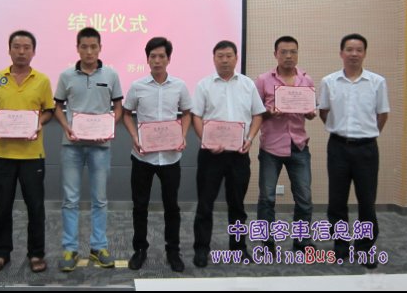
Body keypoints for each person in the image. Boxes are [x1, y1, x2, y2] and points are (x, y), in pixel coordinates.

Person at [0, 30, 54, 274]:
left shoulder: (42, 80)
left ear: (33, 52)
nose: (21, 51)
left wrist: (38, 123)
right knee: (2, 207)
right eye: (16, 46)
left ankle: (36, 254)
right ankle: (0, 253)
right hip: (3, 154)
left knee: (35, 207)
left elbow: (49, 110)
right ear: (9, 49)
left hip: (32, 155)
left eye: (26, 47)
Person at [54, 27, 123, 272]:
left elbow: (118, 107)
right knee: (70, 199)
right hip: (72, 146)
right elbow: (57, 106)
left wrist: (109, 126)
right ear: (78, 48)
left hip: (100, 147)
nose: (89, 51)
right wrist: (66, 126)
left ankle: (98, 247)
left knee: (99, 199)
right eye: (84, 47)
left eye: (94, 47)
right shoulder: (66, 76)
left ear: (100, 48)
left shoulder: (111, 74)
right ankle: (70, 248)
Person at [192, 40, 265, 267]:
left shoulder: (247, 84)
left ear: (236, 58)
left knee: (237, 205)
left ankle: (238, 248)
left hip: (238, 154)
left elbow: (258, 114)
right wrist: (206, 140)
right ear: (214, 59)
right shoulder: (204, 85)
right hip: (211, 155)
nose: (224, 60)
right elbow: (196, 116)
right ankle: (201, 249)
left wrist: (250, 139)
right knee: (205, 204)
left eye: (229, 56)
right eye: (220, 56)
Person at [319, 33, 389, 269]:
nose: (354, 54)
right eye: (349, 49)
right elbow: (324, 112)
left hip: (366, 149)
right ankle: (340, 246)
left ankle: (365, 248)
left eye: (359, 50)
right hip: (338, 146)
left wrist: (367, 134)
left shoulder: (377, 82)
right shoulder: (329, 81)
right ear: (341, 53)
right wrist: (341, 131)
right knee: (337, 200)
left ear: (365, 53)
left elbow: (382, 114)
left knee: (366, 201)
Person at [123, 37, 192, 272]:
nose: (157, 60)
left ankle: (173, 251)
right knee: (140, 206)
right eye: (153, 56)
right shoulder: (137, 86)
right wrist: (134, 136)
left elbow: (187, 113)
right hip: (143, 157)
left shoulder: (179, 86)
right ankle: (139, 250)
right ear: (147, 59)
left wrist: (182, 135)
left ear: (169, 59)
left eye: (162, 56)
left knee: (172, 207)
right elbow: (126, 113)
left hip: (171, 157)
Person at [255, 36, 316, 253]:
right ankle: (267, 243)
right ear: (275, 54)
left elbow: (310, 112)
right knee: (267, 198)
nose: (289, 56)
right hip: (271, 147)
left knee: (304, 199)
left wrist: (310, 113)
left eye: (293, 52)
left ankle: (301, 242)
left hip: (299, 145)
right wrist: (269, 112)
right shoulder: (263, 80)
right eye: (284, 52)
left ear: (297, 54)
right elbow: (255, 112)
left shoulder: (306, 80)